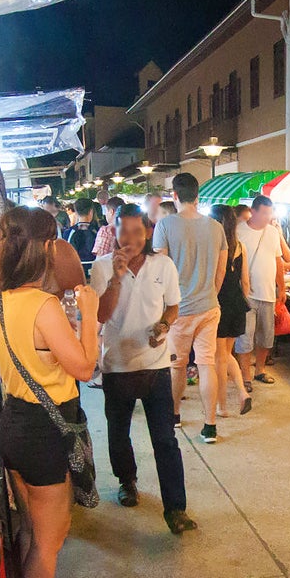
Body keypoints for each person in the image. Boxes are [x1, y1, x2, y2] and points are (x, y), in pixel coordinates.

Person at [0, 205, 101, 578]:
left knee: (32, 531)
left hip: (13, 424)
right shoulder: (45, 306)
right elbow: (86, 367)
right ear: (47, 247)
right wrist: (87, 315)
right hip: (47, 430)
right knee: (50, 538)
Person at [90, 206, 197, 535]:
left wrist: (164, 325)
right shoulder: (101, 267)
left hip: (156, 365)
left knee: (165, 440)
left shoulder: (162, 265)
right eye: (125, 231)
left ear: (147, 232)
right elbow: (101, 315)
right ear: (115, 231)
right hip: (117, 366)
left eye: (138, 232)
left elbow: (173, 305)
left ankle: (175, 509)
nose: (131, 239)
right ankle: (127, 481)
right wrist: (116, 279)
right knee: (118, 434)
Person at [153, 173, 228, 444]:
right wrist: (209, 293)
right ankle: (210, 426)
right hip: (209, 306)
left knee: (178, 366)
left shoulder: (164, 226)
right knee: (207, 364)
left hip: (179, 309)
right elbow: (221, 271)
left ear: (175, 195)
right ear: (198, 196)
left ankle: (174, 415)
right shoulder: (216, 227)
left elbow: (159, 271)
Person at [235, 195, 290, 386]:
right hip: (246, 295)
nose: (269, 217)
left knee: (266, 337)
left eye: (270, 213)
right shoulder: (239, 231)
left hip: (268, 294)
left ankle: (260, 370)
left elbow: (279, 260)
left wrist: (282, 288)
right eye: (265, 213)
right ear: (253, 211)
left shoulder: (272, 233)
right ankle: (245, 377)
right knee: (245, 337)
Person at [212, 205, 253, 417]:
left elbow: (213, 278)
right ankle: (242, 392)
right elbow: (245, 281)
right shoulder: (240, 246)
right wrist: (243, 299)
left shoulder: (214, 245)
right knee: (226, 354)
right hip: (237, 302)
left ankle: (222, 406)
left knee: (220, 357)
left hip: (219, 302)